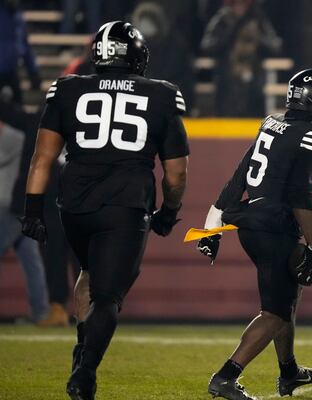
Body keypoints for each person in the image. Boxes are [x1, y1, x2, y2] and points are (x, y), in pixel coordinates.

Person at [20, 21, 189, 400]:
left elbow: (42, 158)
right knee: (109, 296)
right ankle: (86, 372)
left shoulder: (67, 88)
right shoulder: (161, 95)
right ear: (137, 56)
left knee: (89, 274)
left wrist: (33, 210)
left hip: (74, 206)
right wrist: (168, 210)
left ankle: (82, 349)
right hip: (125, 205)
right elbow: (176, 173)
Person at [197, 68, 312, 400]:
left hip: (252, 221)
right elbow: (300, 196)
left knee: (286, 300)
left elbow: (240, 177)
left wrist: (213, 224)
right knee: (275, 314)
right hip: (273, 226)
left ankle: (289, 372)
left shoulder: (272, 124)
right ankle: (225, 377)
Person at [0, 101, 50, 325]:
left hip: (11, 204)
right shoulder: (44, 133)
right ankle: (40, 311)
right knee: (32, 261)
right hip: (28, 204)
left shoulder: (17, 136)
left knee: (31, 260)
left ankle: (41, 311)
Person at [201, 0, 282, 117]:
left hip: (253, 84)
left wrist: (258, 37)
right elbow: (207, 46)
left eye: (244, 4)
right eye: (237, 3)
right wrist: (230, 30)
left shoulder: (257, 18)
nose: (240, 7)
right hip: (227, 83)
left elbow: (275, 46)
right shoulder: (223, 19)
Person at [0, 0, 41, 105]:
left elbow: (24, 45)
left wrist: (33, 71)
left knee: (17, 112)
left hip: (12, 73)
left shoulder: (17, 15)